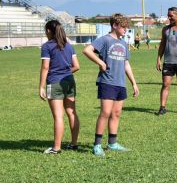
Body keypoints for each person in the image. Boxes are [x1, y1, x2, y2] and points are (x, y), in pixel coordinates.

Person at [83, 13, 139, 157]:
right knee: (105, 113)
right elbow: (87, 50)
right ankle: (97, 145)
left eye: (127, 27)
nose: (126, 29)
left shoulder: (124, 44)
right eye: (123, 27)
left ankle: (112, 143)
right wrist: (100, 62)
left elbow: (126, 63)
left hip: (120, 83)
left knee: (116, 113)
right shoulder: (105, 40)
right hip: (107, 82)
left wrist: (134, 83)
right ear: (115, 25)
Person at [38, 20, 80, 154]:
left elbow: (45, 67)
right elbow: (76, 66)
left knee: (58, 116)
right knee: (71, 113)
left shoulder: (47, 46)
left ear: (49, 31)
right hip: (69, 81)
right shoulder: (69, 45)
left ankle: (56, 148)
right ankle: (73, 144)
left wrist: (41, 87)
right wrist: (65, 73)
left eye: (46, 31)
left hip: (54, 82)